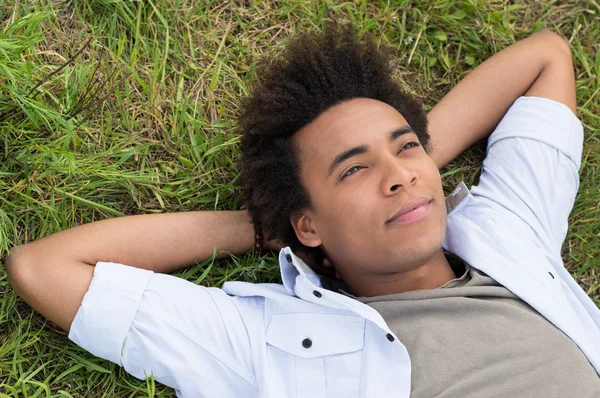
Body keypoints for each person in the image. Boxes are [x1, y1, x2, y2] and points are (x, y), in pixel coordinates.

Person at [5, 23, 600, 397]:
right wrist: (273, 224)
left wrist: (406, 173)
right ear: (308, 223)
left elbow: (545, 56)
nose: (397, 175)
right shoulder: (268, 344)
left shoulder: (509, 234)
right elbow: (44, 267)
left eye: (408, 147)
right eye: (353, 170)